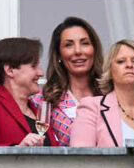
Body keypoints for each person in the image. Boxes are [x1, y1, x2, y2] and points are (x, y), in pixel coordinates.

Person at [70, 40, 134, 145]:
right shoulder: (92, 108)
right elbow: (80, 158)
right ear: (110, 72)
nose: (129, 65)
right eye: (121, 61)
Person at [40, 17, 104, 148]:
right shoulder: (44, 101)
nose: (78, 51)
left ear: (94, 49)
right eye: (68, 45)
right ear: (58, 55)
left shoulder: (112, 96)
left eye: (85, 43)